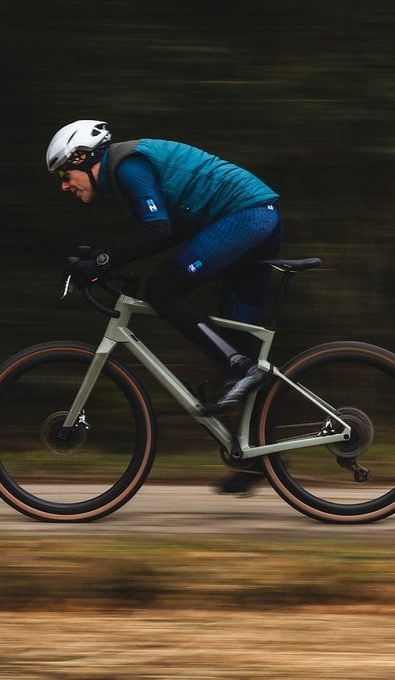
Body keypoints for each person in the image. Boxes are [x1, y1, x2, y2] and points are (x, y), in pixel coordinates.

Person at [47, 119, 283, 495]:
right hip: (257, 218)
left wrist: (102, 264)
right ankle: (257, 458)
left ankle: (239, 368)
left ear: (83, 157)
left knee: (163, 290)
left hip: (245, 218)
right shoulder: (126, 171)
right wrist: (108, 262)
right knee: (238, 344)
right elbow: (166, 231)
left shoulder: (127, 165)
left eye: (65, 173)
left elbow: (155, 230)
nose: (64, 185)